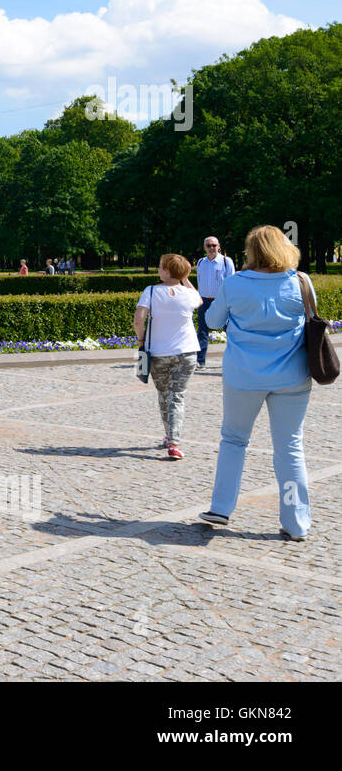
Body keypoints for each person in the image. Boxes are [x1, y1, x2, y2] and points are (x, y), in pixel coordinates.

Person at [199, 226, 317, 541]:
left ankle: (221, 507)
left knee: (234, 440)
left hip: (244, 376)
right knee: (290, 447)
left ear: (251, 251)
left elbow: (212, 322)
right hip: (292, 376)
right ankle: (296, 523)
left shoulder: (235, 283)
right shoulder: (301, 281)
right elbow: (312, 317)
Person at [133, 254, 202, 460]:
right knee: (177, 396)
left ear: (167, 271)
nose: (158, 269)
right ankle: (173, 441)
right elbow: (198, 299)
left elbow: (139, 319)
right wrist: (186, 278)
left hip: (158, 353)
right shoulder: (188, 294)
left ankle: (170, 438)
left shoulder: (151, 291)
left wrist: (141, 340)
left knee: (164, 394)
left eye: (161, 267)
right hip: (187, 352)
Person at [195, 235, 237, 369]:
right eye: (209, 245)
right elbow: (199, 282)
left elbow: (232, 283)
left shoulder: (226, 261)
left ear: (219, 246)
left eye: (214, 245)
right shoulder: (201, 262)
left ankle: (236, 360)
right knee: (202, 332)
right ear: (204, 248)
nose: (212, 248)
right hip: (204, 302)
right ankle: (200, 362)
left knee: (230, 331)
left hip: (222, 302)